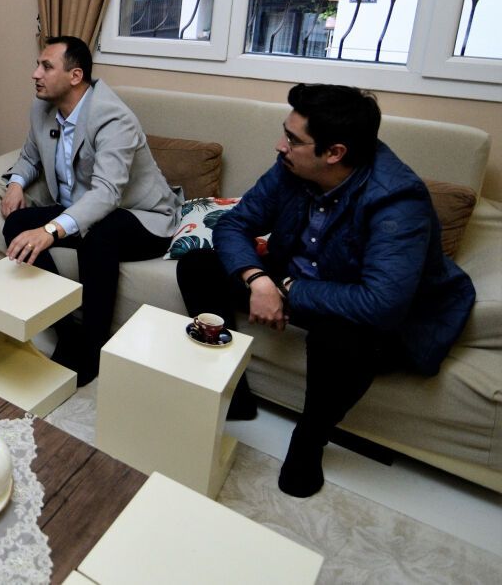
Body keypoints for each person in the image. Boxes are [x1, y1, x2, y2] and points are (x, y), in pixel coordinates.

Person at [176, 84, 474, 498]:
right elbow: (234, 224)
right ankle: (235, 394)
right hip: (297, 281)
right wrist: (258, 280)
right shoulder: (291, 167)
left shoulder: (398, 199)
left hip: (372, 309)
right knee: (197, 265)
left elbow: (382, 303)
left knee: (341, 335)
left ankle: (309, 439)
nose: (280, 146)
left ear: (334, 152)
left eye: (293, 139)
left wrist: (287, 289)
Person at [2, 36, 180, 385]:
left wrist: (51, 230)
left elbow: (107, 194)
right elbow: (29, 156)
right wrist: (16, 184)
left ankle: (92, 350)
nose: (35, 74)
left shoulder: (113, 118)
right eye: (38, 65)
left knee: (98, 234)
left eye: (46, 66)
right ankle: (67, 330)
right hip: (81, 210)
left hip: (143, 216)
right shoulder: (42, 108)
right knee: (17, 225)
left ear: (75, 75)